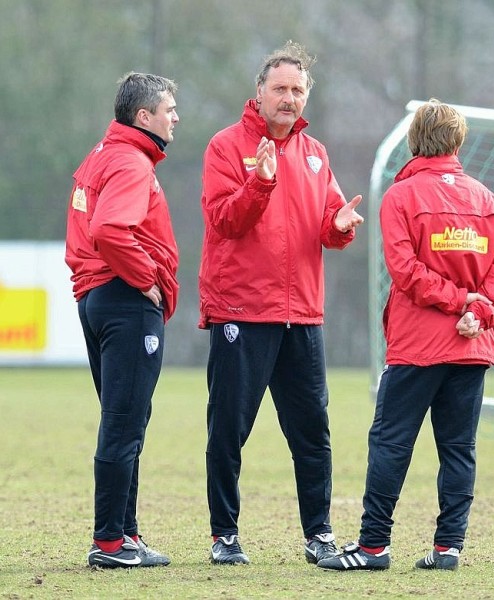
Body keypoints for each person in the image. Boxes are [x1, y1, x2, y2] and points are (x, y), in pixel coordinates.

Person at [317, 99, 494, 572]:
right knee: (458, 448)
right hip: (471, 347)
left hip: (418, 345)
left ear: (414, 141)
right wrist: (481, 309)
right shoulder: (490, 201)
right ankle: (449, 548)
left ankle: (372, 548)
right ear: (458, 141)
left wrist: (462, 303)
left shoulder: (400, 197)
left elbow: (404, 272)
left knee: (391, 443)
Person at [198, 40, 364, 566]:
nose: (289, 98)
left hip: (303, 315)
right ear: (260, 93)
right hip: (243, 312)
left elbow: (329, 221)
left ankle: (319, 534)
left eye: (297, 89)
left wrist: (338, 229)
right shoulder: (226, 147)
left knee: (313, 431)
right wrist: (259, 183)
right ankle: (225, 535)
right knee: (228, 429)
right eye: (280, 89)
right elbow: (224, 220)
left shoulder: (316, 154)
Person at [65, 72, 180, 568]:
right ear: (144, 117)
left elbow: (84, 232)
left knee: (126, 419)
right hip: (124, 302)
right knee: (123, 422)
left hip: (96, 299)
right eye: (169, 108)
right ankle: (110, 542)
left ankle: (124, 535)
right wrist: (147, 279)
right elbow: (110, 229)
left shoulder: (100, 154)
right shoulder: (132, 163)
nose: (176, 116)